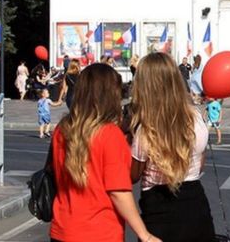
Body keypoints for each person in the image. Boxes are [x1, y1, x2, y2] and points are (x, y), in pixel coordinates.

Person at [50, 63, 161, 242]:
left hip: (63, 229)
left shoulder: (62, 130)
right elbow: (118, 192)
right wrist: (144, 235)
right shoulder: (109, 134)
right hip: (99, 231)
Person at [130, 52, 215, 242]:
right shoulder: (196, 118)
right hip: (195, 202)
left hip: (158, 209)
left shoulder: (147, 129)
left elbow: (132, 176)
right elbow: (200, 164)